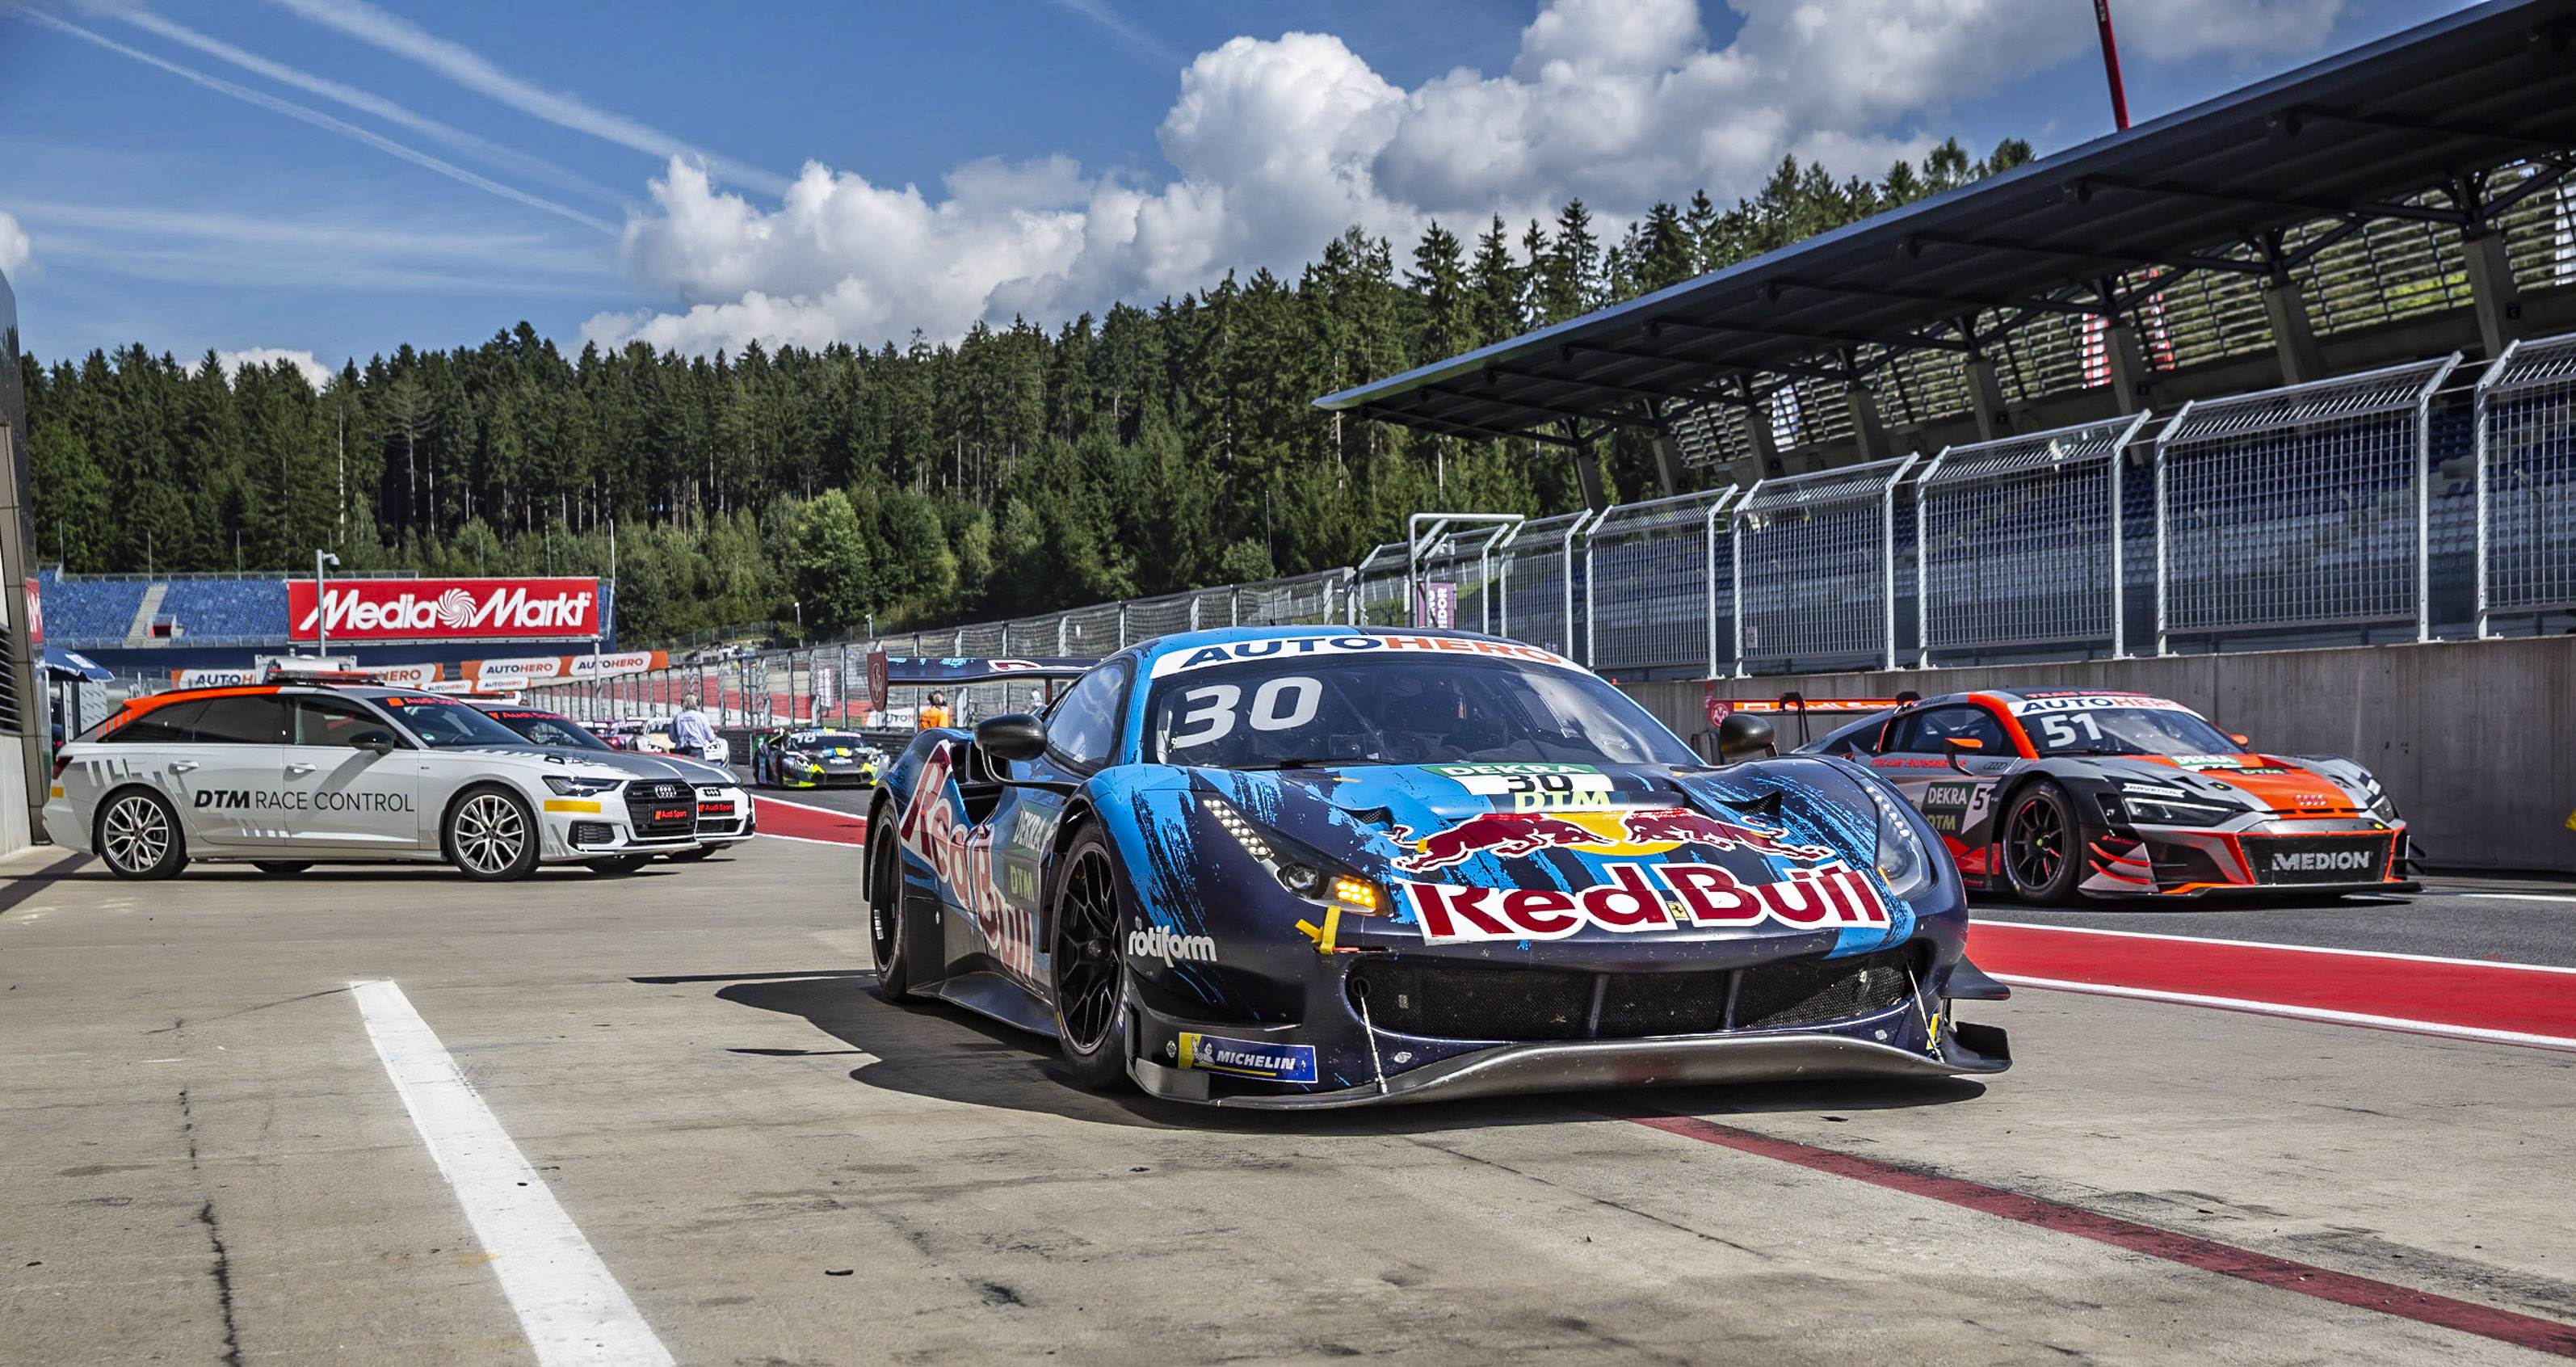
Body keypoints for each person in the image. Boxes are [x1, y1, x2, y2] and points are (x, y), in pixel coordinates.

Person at [671, 693, 716, 759]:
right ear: (697, 703)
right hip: (697, 751)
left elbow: (672, 737)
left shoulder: (678, 717)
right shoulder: (701, 716)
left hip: (681, 752)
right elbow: (710, 737)